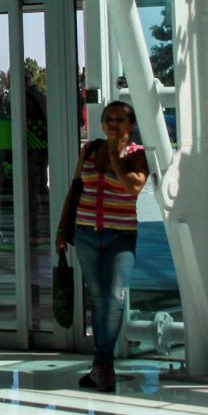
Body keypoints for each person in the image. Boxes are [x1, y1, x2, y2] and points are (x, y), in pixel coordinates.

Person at [55, 99, 151, 392]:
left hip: (119, 236)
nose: (113, 124)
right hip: (85, 233)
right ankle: (102, 364)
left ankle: (103, 362)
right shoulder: (89, 150)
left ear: (131, 125)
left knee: (114, 297)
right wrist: (62, 229)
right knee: (98, 298)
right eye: (108, 118)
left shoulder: (138, 155)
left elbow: (132, 186)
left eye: (120, 119)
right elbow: (76, 190)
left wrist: (115, 154)